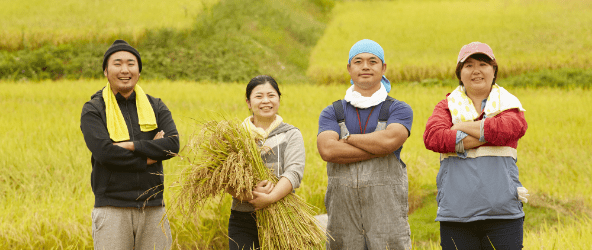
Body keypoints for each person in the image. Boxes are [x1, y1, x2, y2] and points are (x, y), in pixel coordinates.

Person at [423, 42, 529, 249]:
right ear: (460, 73)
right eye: (468, 65)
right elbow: (433, 137)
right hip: (456, 215)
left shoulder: (509, 105)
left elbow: (512, 128)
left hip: (503, 215)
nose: (476, 71)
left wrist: (460, 126)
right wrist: (490, 134)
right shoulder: (446, 106)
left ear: (494, 71)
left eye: (483, 64)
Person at [80, 39, 180, 250]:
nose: (125, 69)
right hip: (112, 208)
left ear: (139, 71)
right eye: (117, 63)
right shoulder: (94, 109)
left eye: (130, 63)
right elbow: (105, 154)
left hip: (153, 208)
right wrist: (150, 155)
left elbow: (172, 144)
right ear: (106, 71)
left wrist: (130, 145)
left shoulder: (155, 106)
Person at [317, 39, 413, 250]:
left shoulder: (398, 109)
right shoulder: (333, 111)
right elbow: (328, 150)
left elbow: (389, 141)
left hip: (387, 219)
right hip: (342, 218)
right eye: (358, 61)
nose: (366, 66)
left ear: (383, 68)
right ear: (349, 68)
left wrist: (350, 139)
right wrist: (378, 148)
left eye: (373, 61)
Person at [226, 75, 306, 250]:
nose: (266, 101)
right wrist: (249, 197)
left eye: (271, 95)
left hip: (284, 217)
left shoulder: (291, 134)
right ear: (248, 102)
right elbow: (224, 178)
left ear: (278, 99)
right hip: (242, 219)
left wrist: (269, 198)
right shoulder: (235, 137)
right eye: (258, 96)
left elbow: (294, 172)